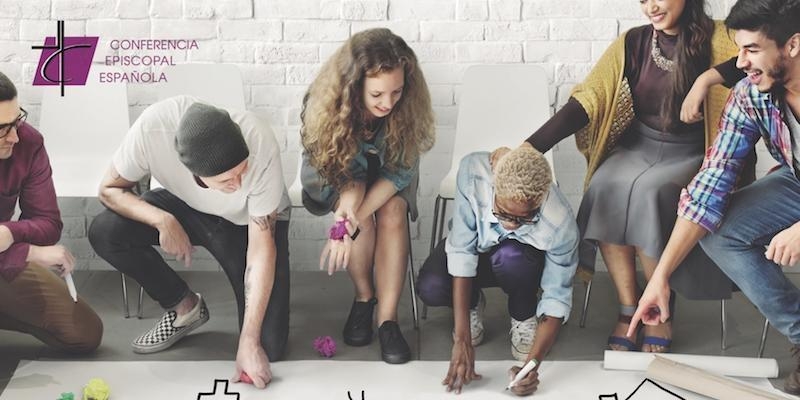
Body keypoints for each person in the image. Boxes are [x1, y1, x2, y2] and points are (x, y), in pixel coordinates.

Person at [493, 0, 750, 353]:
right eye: (643, 0)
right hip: (640, 145)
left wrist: (708, 78)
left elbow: (763, 56)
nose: (650, 7)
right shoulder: (634, 42)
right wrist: (529, 147)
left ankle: (658, 308)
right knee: (604, 185)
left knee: (650, 191)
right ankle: (630, 308)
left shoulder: (723, 35)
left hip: (696, 150)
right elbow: (588, 100)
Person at [629, 0, 800, 394]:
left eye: (752, 50)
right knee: (720, 230)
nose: (740, 62)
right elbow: (710, 185)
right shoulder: (749, 96)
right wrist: (660, 278)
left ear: (792, 45)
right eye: (738, 49)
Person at [88, 96, 291, 389]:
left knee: (267, 345)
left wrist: (249, 341)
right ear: (195, 173)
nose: (237, 183)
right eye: (226, 180)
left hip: (248, 221)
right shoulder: (151, 130)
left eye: (242, 171)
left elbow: (260, 251)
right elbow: (108, 190)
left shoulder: (260, 141)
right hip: (184, 206)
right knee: (105, 231)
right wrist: (162, 220)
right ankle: (185, 306)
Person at [299, 28, 435, 364]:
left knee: (391, 212)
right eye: (377, 95)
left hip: (390, 171)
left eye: (397, 92)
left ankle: (387, 319)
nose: (388, 103)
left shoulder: (406, 108)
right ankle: (364, 298)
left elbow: (400, 172)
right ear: (353, 86)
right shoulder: (323, 105)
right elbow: (344, 176)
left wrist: (351, 220)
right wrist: (349, 214)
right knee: (361, 218)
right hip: (336, 173)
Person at [417, 147, 578, 396]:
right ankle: (471, 303)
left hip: (520, 265)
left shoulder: (560, 223)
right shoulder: (473, 173)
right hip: (478, 251)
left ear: (542, 199)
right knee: (431, 286)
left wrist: (531, 366)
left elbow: (556, 298)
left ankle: (524, 314)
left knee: (511, 256)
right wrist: (462, 338)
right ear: (494, 188)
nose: (511, 225)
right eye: (502, 213)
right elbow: (462, 250)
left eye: (524, 219)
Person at [0, 71, 102, 353]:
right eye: (2, 128)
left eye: (16, 121)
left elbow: (48, 223)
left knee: (85, 332)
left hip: (2, 259)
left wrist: (10, 232)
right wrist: (29, 252)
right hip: (9, 255)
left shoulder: (28, 143)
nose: (14, 137)